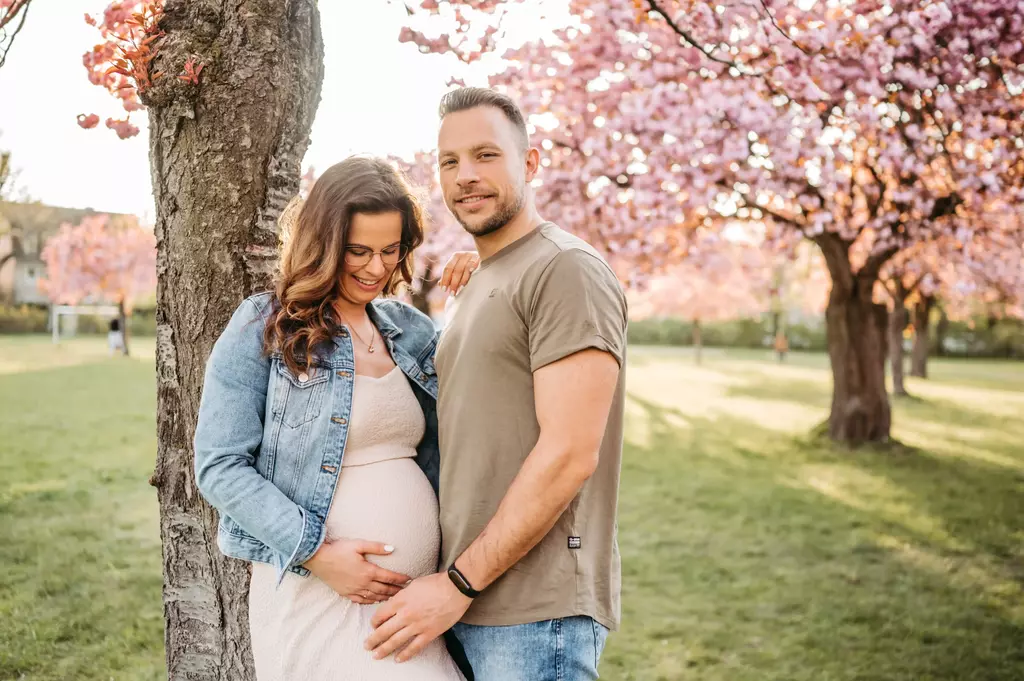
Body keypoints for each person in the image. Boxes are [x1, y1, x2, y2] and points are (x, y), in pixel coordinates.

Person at [367, 87, 628, 680]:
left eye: (486, 155)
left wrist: (459, 582)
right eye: (450, 161)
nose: (465, 176)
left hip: (533, 615)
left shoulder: (565, 269)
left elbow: (568, 454)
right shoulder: (491, 274)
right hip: (471, 603)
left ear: (530, 163)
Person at [193, 156, 477, 681]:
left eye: (390, 251)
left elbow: (482, 394)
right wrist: (318, 553)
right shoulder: (266, 326)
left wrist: (490, 275)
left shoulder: (408, 329)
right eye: (359, 251)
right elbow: (219, 465)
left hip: (414, 606)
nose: (376, 268)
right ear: (324, 243)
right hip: (316, 593)